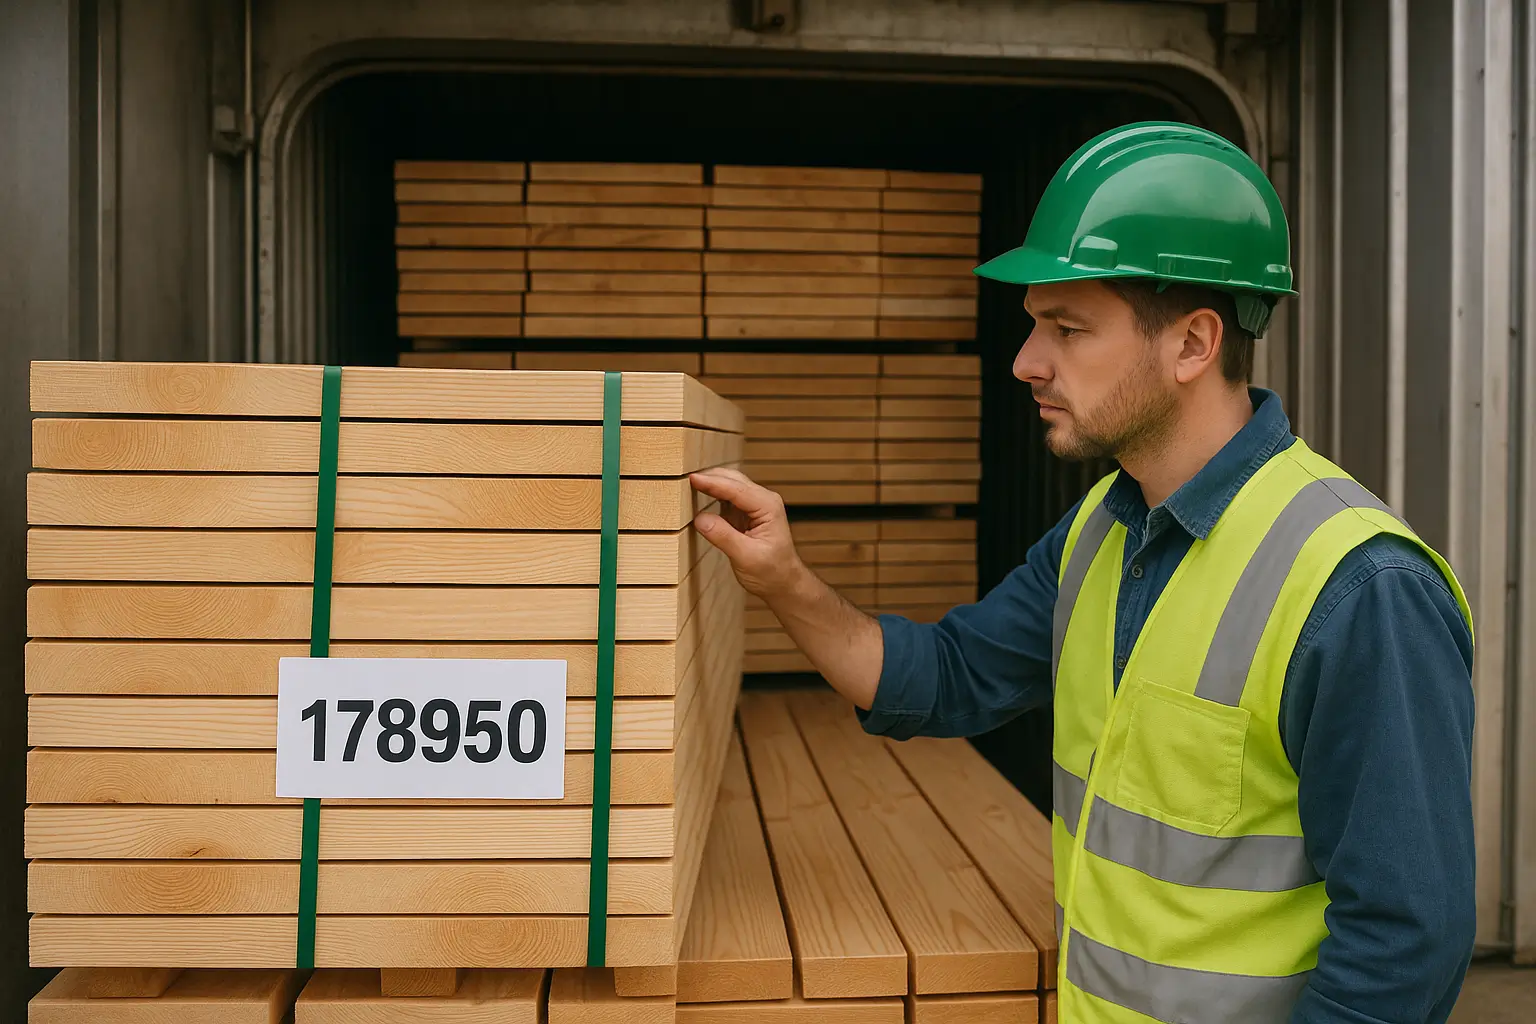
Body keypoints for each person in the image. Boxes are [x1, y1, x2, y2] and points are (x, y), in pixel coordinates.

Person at [688, 121, 1477, 1024]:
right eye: (1035, 326)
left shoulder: (1360, 588)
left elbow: (1405, 946)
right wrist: (785, 579)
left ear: (1192, 344)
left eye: (1067, 328)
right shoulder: (1099, 532)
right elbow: (944, 678)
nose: (1027, 362)